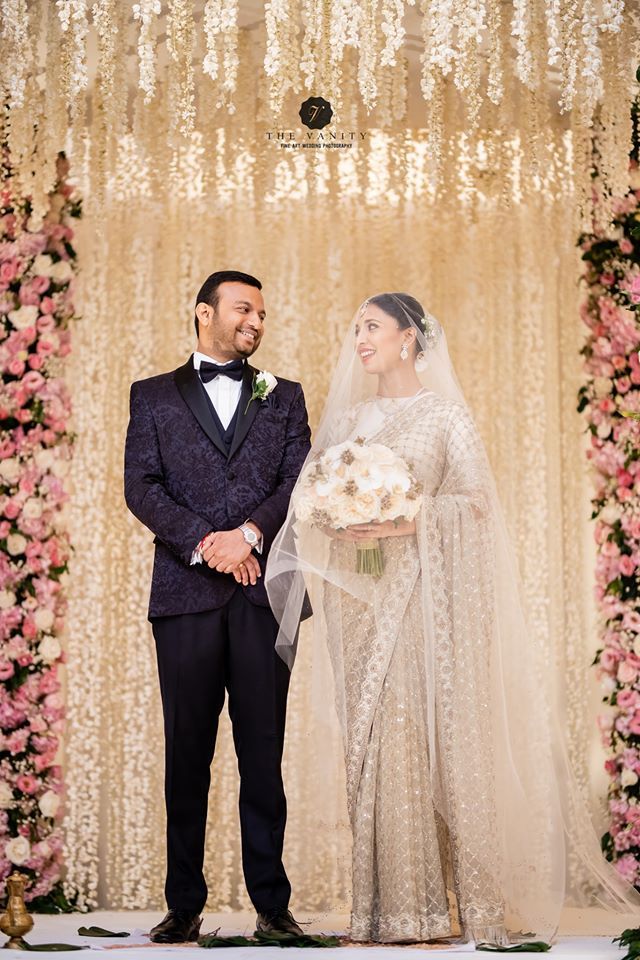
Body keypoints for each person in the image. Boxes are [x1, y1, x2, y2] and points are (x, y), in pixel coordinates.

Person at [265, 292, 640, 945]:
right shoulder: (349, 420)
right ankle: (384, 910)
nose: (359, 339)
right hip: (361, 606)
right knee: (369, 746)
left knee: (411, 737)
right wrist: (341, 522)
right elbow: (313, 505)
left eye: (372, 327)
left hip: (418, 603)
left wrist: (412, 515)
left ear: (408, 338)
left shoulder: (445, 418)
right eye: (356, 327)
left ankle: (435, 911)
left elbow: (475, 504)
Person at [124, 270, 311, 943]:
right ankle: (184, 903)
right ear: (205, 314)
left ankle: (272, 905)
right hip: (184, 597)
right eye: (243, 310)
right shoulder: (150, 397)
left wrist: (249, 536)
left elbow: (298, 477)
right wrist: (208, 545)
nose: (256, 322)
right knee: (187, 755)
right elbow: (140, 488)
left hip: (267, 595)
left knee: (264, 753)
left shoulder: (283, 396)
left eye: (261, 312)